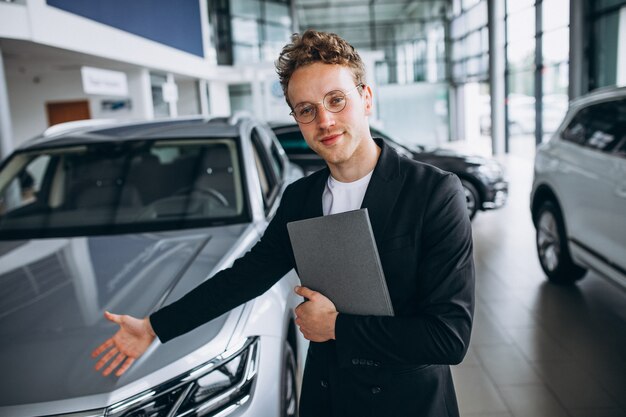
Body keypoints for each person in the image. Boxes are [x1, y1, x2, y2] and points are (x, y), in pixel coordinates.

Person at [92, 29, 475, 417]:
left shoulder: (433, 193)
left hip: (408, 403)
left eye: (336, 100)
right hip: (328, 397)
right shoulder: (301, 198)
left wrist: (337, 327)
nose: (324, 120)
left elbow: (449, 337)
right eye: (307, 110)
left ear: (366, 98)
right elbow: (245, 277)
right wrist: (156, 326)